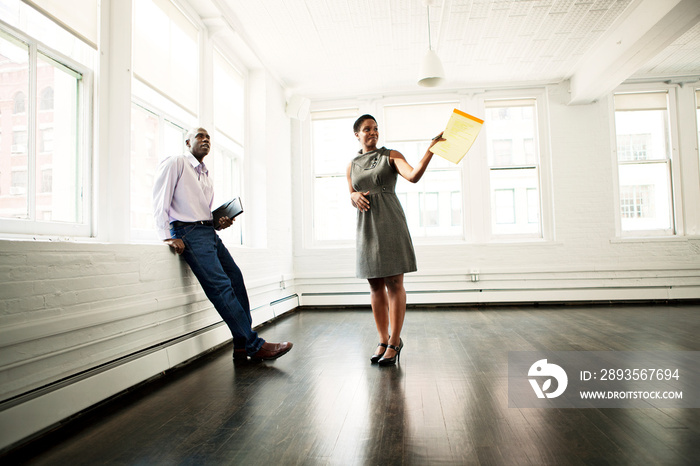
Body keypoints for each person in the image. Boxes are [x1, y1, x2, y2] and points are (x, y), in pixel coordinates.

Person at [153, 127, 293, 362]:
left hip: (207, 231)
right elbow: (160, 199)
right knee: (220, 286)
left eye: (208, 137)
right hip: (188, 232)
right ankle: (253, 344)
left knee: (235, 278)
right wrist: (167, 235)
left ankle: (241, 345)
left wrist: (218, 222)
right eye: (200, 136)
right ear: (188, 142)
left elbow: (199, 210)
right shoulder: (176, 163)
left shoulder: (205, 173)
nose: (205, 139)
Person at [346, 114, 444, 366]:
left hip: (390, 222)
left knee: (394, 282)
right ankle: (382, 339)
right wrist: (353, 196)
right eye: (367, 129)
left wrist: (430, 151)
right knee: (375, 285)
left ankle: (395, 341)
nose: (373, 132)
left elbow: (413, 176)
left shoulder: (390, 155)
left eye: (376, 128)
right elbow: (352, 193)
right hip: (366, 226)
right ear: (357, 134)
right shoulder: (352, 165)